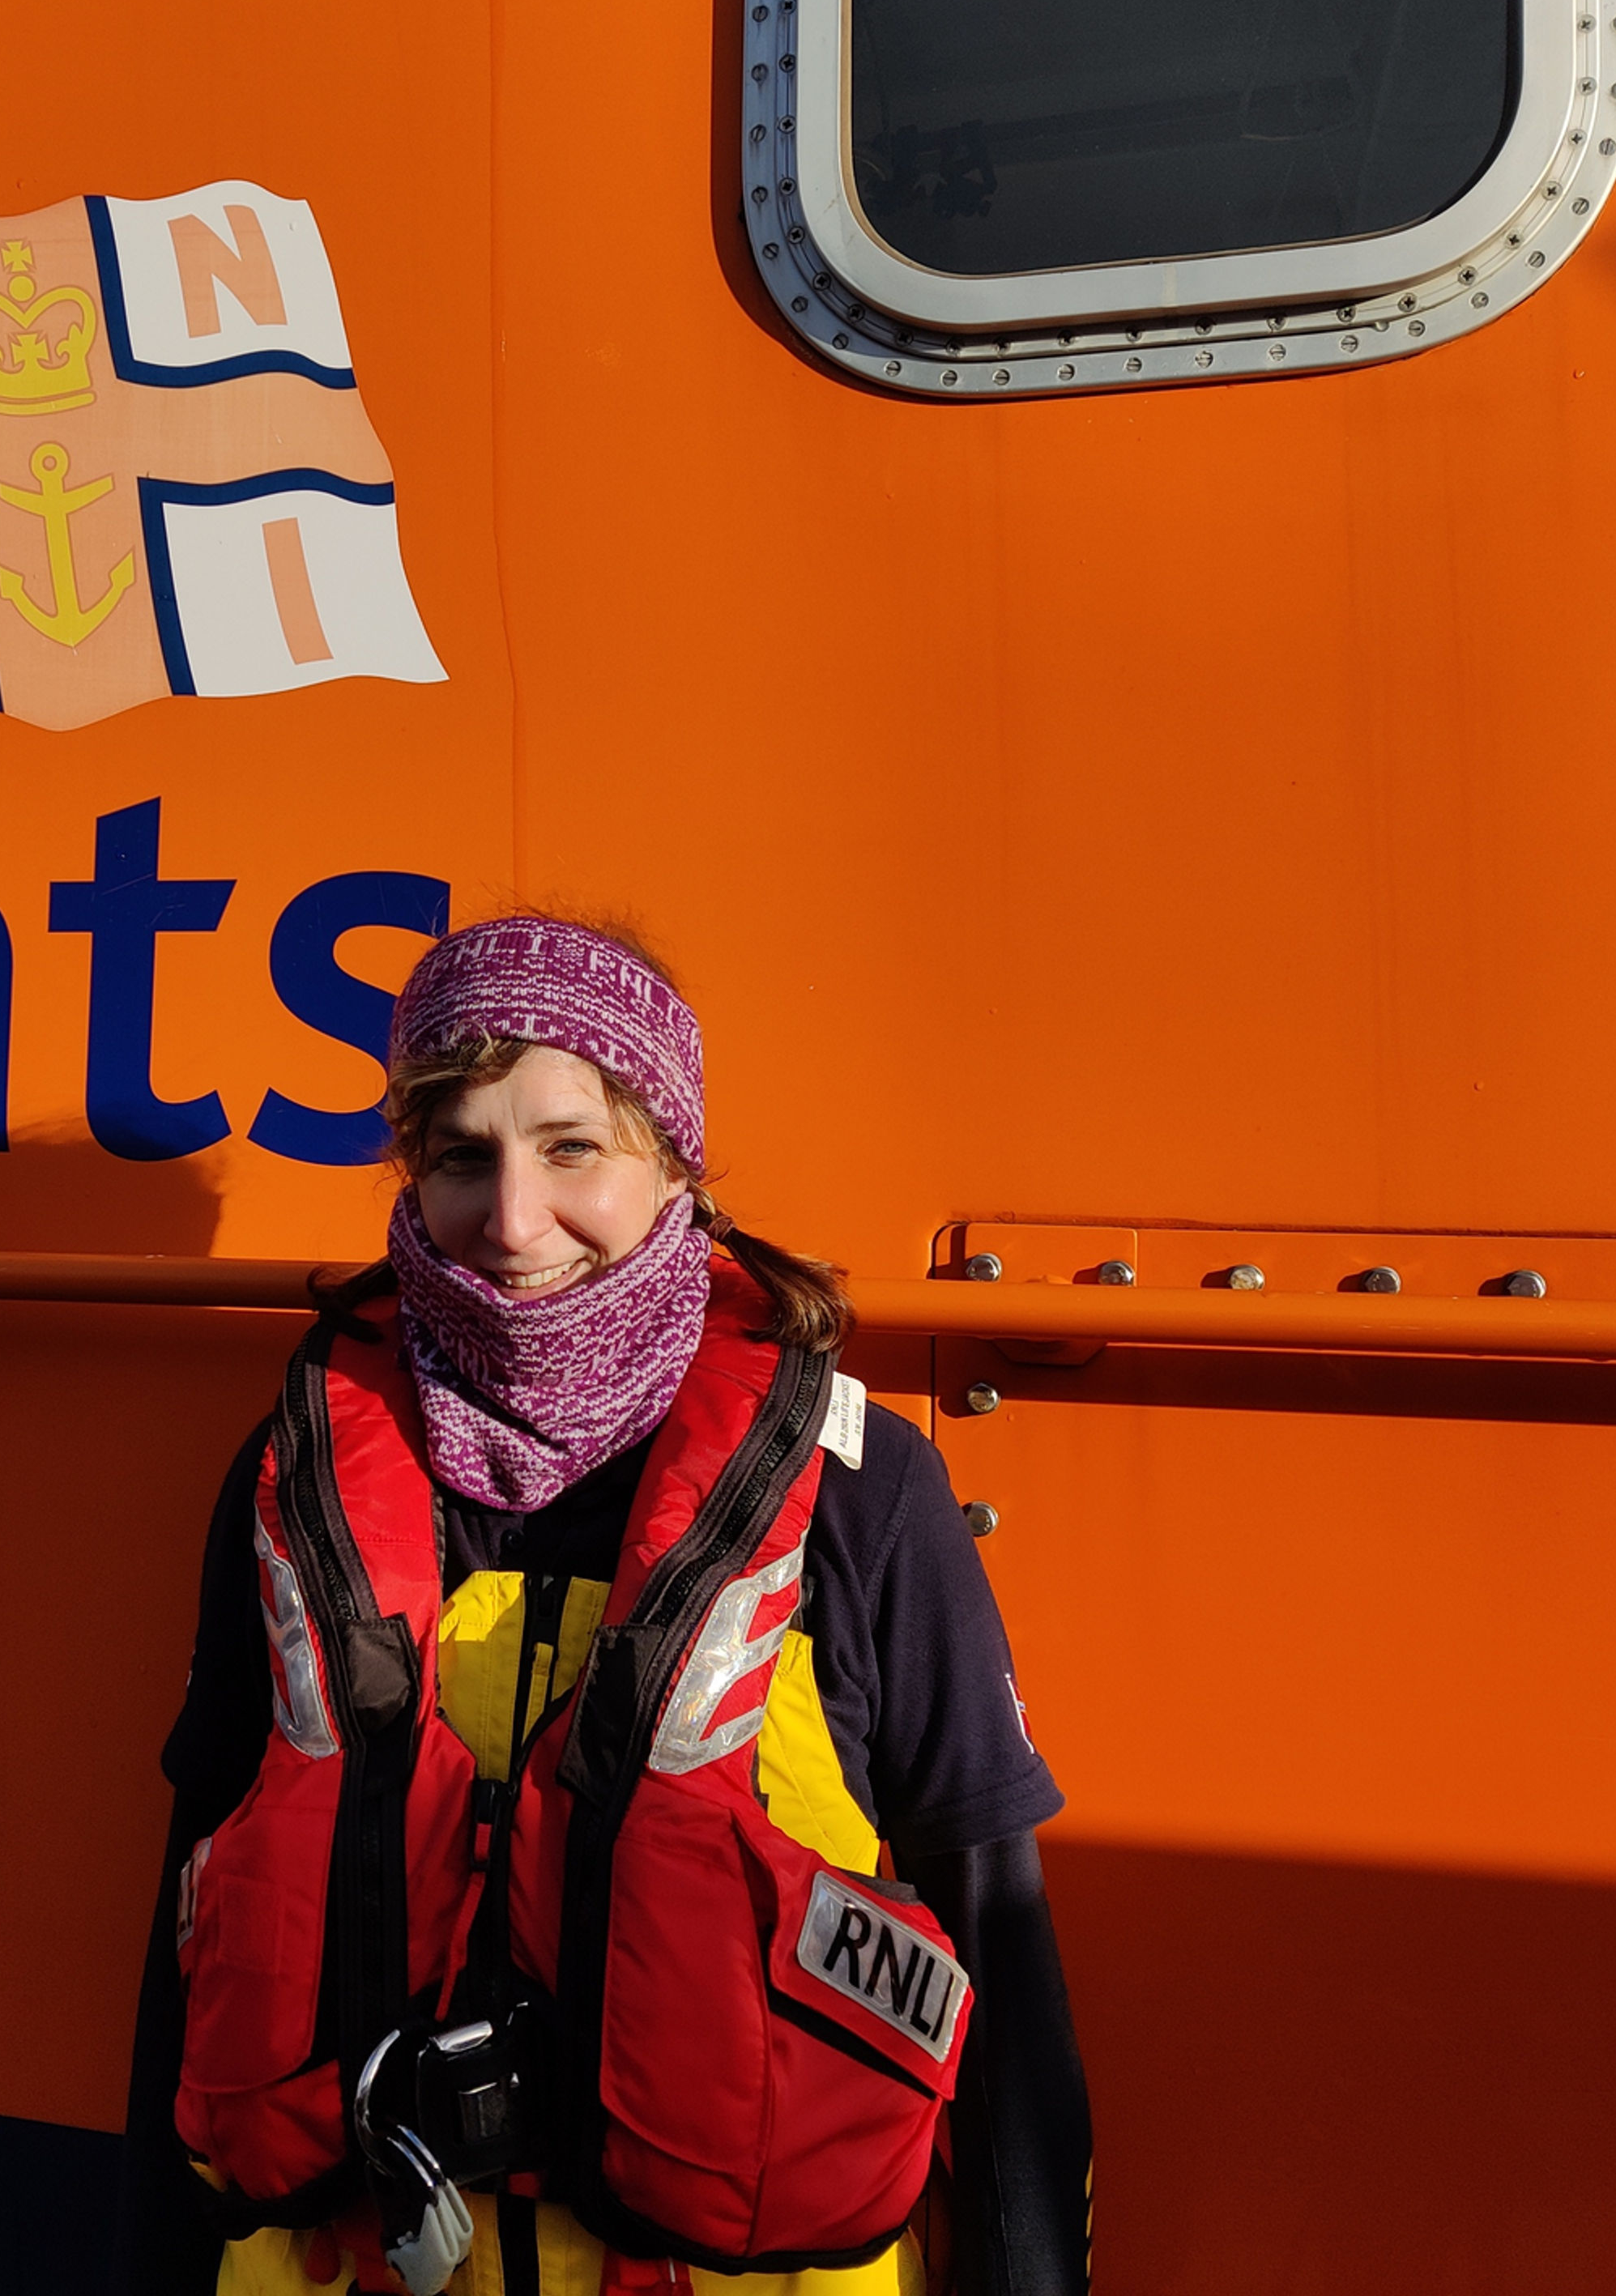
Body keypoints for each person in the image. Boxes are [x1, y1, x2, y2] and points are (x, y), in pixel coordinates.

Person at [120, 916, 1092, 2296]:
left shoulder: (865, 1500)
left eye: (572, 1147)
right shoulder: (300, 1481)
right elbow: (189, 1935)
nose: (513, 1222)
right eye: (463, 1154)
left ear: (675, 1161)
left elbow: (1002, 1963)